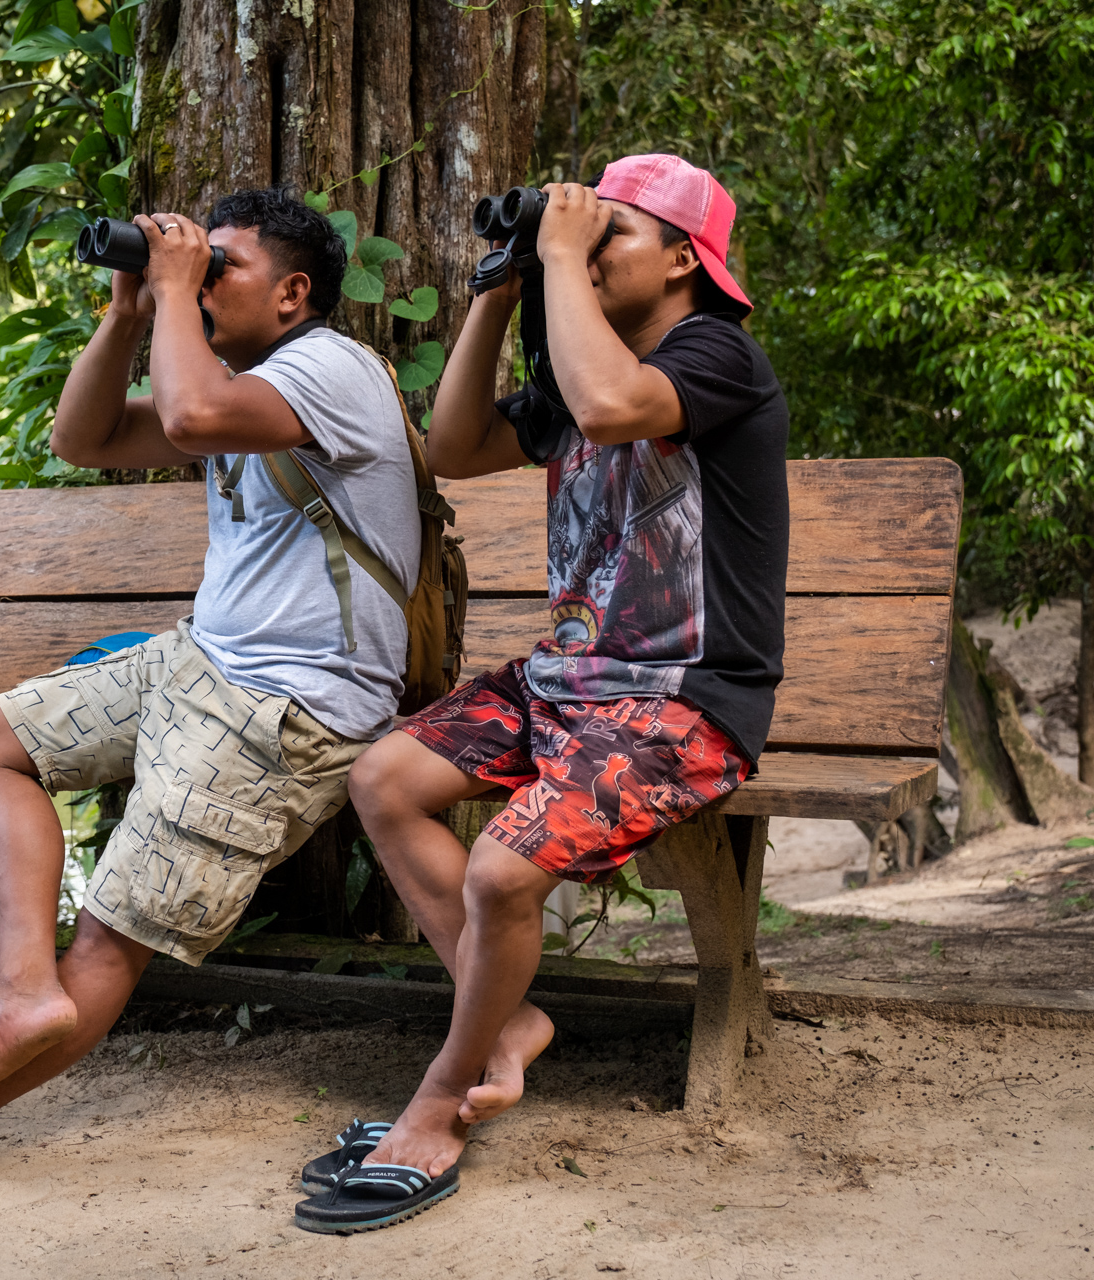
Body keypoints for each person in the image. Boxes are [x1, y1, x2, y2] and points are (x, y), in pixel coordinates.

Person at [0, 187, 422, 1196]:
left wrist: (172, 290)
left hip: (289, 707)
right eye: (196, 268)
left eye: (224, 269)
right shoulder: (245, 385)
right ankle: (23, 985)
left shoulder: (328, 369)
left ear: (294, 293)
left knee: (111, 935)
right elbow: (81, 439)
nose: (200, 285)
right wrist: (129, 310)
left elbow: (188, 410)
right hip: (199, 662)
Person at [302, 154, 790, 1232]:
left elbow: (618, 407)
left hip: (683, 702)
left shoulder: (713, 356)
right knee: (384, 775)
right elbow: (453, 446)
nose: (584, 243)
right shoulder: (578, 369)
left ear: (681, 259)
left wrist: (561, 257)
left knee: (502, 864)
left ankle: (442, 1094)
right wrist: (499, 288)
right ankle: (509, 1022)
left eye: (611, 231)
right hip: (561, 684)